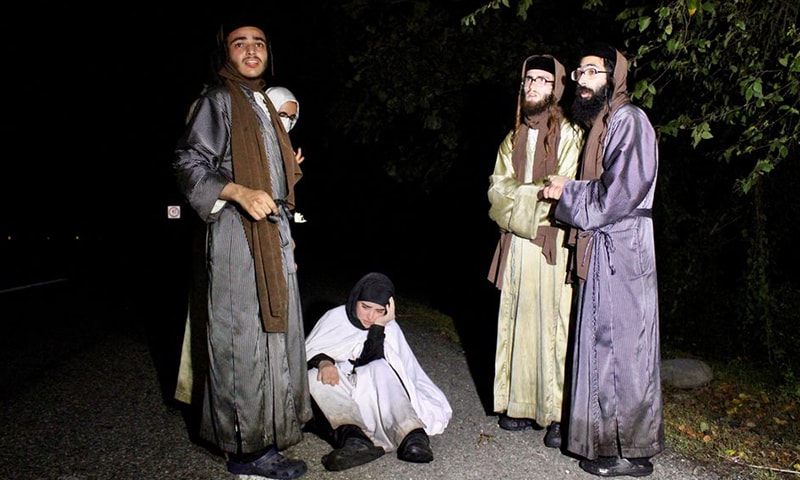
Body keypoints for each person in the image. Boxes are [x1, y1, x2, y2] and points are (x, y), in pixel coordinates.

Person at [173, 14, 311, 479]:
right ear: (225, 53)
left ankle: (264, 442)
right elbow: (189, 163)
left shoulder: (263, 104)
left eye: (259, 43)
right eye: (239, 44)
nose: (251, 51)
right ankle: (244, 452)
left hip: (273, 234)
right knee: (240, 342)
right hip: (236, 234)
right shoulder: (218, 99)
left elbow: (264, 170)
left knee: (274, 340)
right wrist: (237, 191)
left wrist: (286, 168)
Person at [541, 42, 664, 477]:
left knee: (622, 351)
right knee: (603, 347)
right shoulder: (605, 122)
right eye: (579, 73)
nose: (582, 80)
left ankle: (628, 451)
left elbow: (617, 195)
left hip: (624, 248)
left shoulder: (630, 120)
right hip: (608, 244)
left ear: (615, 76)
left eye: (592, 72)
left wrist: (566, 192)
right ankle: (607, 445)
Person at [486, 54, 583, 448]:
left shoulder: (572, 135)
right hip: (516, 243)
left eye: (543, 81)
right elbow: (495, 191)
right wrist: (531, 194)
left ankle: (558, 413)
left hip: (552, 244)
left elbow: (563, 190)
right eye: (528, 80)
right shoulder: (510, 139)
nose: (533, 87)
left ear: (556, 88)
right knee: (518, 321)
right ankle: (520, 405)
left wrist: (520, 198)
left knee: (554, 326)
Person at [304, 272, 452, 472]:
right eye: (365, 307)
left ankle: (412, 436)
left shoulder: (388, 327)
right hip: (343, 396)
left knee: (380, 368)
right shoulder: (335, 318)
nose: (370, 316)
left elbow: (372, 360)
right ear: (355, 299)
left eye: (379, 310)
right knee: (313, 378)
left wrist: (379, 327)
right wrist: (324, 363)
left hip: (377, 398)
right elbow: (310, 351)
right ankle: (355, 440)